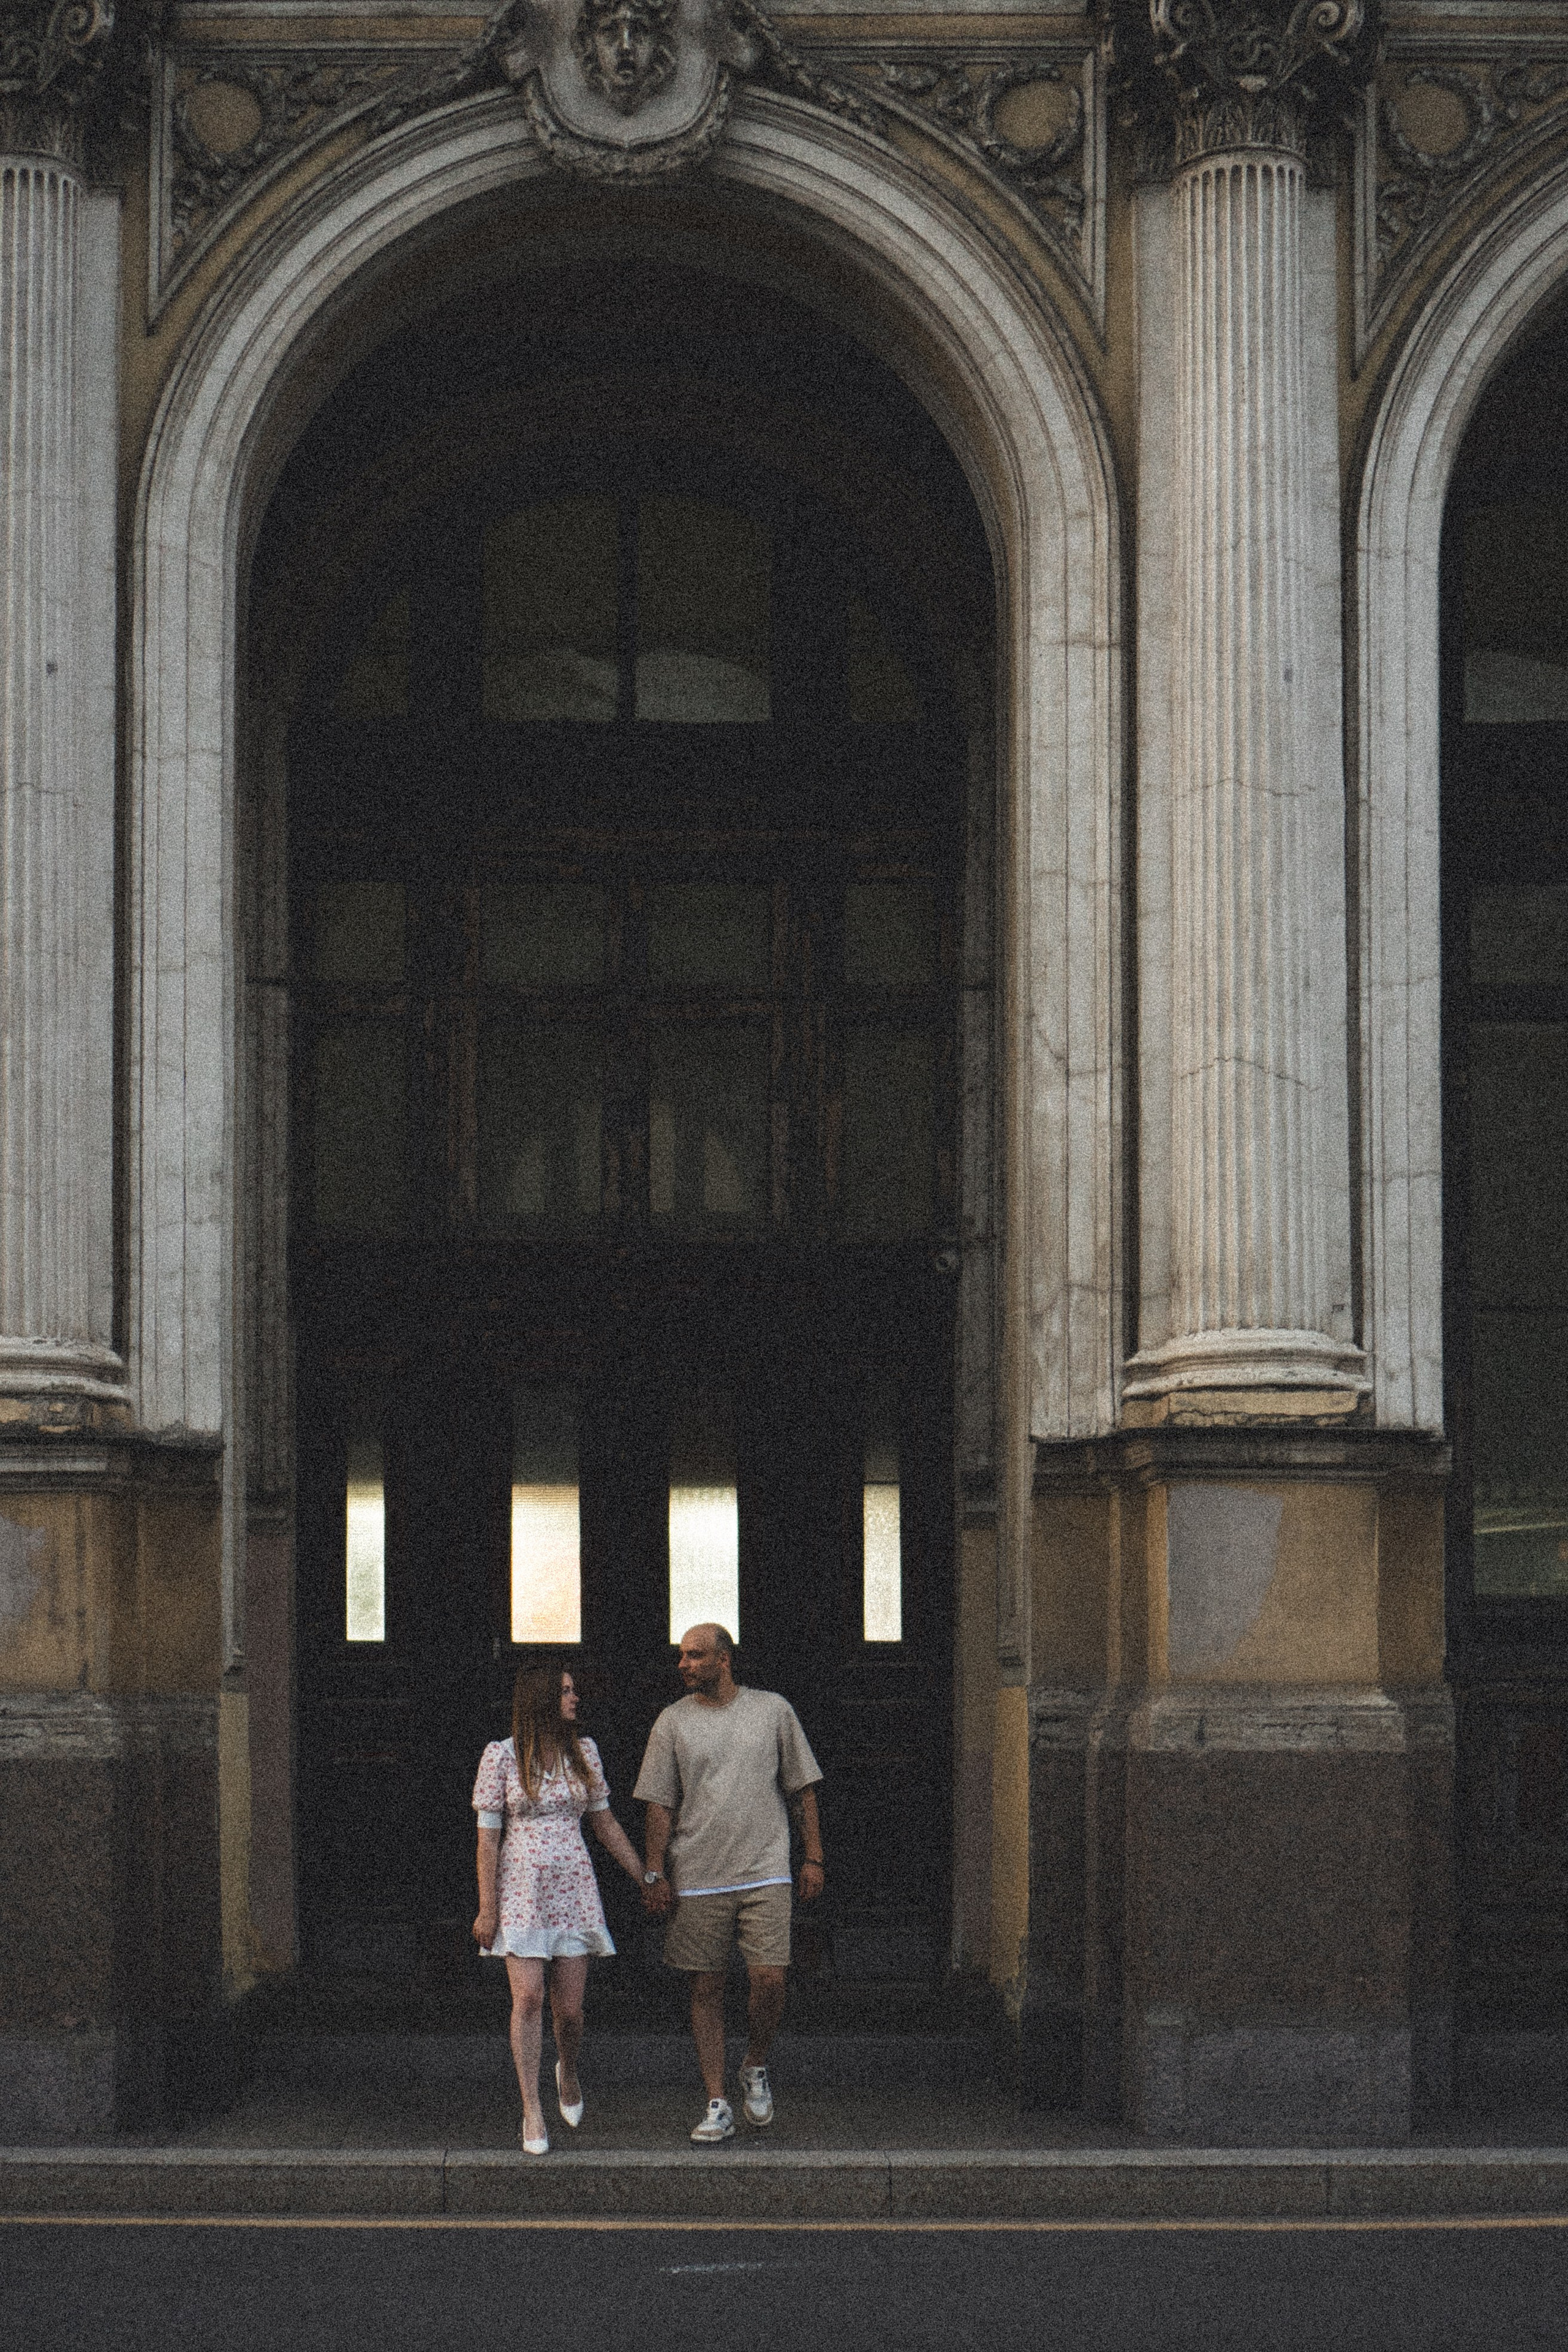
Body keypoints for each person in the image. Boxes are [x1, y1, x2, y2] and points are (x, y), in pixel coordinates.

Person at [634, 1622, 825, 2143]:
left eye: (695, 1655)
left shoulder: (772, 1711)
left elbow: (803, 1789)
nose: (683, 1665)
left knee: (770, 1979)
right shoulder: (673, 1721)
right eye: (682, 1656)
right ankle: (717, 2101)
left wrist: (814, 1857)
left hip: (766, 1870)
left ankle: (755, 2063)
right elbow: (659, 1803)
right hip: (698, 1874)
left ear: (724, 1659)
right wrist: (654, 1871)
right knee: (706, 1986)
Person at [472, 1661, 649, 2154]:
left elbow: (605, 1823)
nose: (575, 1698)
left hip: (573, 1889)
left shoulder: (583, 1752)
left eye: (574, 1690)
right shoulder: (501, 1757)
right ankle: (532, 2107)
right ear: (543, 1699)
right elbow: (488, 1840)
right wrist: (487, 1908)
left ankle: (567, 2069)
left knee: (569, 2011)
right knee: (528, 1998)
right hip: (521, 1890)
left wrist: (645, 1876)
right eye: (566, 1691)